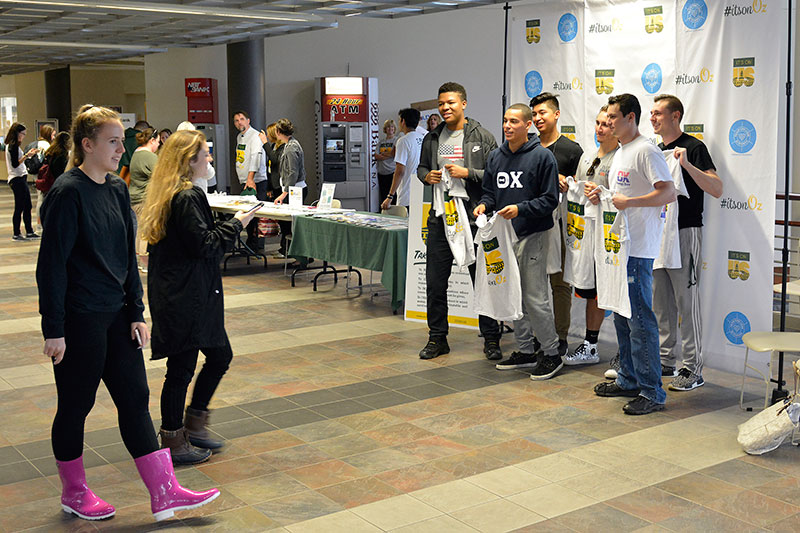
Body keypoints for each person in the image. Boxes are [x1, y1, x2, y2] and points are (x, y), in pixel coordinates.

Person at [36, 105, 219, 522]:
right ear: (88, 145)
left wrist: (136, 311)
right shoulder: (67, 192)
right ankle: (74, 492)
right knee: (76, 406)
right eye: (114, 141)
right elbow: (51, 267)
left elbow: (128, 257)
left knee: (135, 400)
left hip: (118, 317)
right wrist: (54, 328)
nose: (123, 148)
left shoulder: (116, 190)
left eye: (122, 141)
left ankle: (165, 491)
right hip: (81, 319)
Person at [140, 130, 256, 465]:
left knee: (217, 356)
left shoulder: (172, 194)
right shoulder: (187, 196)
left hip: (183, 292)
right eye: (204, 154)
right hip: (186, 295)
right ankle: (175, 439)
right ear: (188, 160)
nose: (209, 159)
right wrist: (237, 223)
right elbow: (204, 245)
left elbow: (194, 240)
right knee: (182, 368)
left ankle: (192, 425)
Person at [591, 94, 676, 415]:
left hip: (639, 250)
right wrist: (603, 195)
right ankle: (628, 378)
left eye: (613, 117)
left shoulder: (646, 150)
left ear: (630, 118)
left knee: (640, 319)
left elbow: (667, 191)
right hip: (620, 249)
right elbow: (623, 196)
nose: (608, 123)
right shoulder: (623, 151)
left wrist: (629, 202)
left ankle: (653, 392)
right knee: (624, 318)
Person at [417, 82, 502, 361]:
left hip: (474, 216)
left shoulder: (482, 136)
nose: (445, 108)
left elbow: (496, 175)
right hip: (441, 217)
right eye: (441, 104)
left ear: (464, 104)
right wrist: (426, 176)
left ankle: (491, 339)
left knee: (483, 280)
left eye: (451, 103)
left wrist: (468, 172)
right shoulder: (432, 138)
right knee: (435, 282)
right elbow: (421, 168)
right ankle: (437, 338)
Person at [475, 104, 561, 379]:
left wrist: (520, 209)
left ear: (527, 125)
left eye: (514, 121)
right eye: (505, 121)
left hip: (532, 234)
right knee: (512, 293)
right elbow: (490, 193)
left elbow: (550, 200)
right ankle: (524, 350)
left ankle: (551, 353)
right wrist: (483, 206)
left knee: (534, 297)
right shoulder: (496, 157)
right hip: (503, 236)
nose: (507, 126)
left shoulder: (542, 157)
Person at [650, 94, 722, 391]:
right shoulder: (654, 150)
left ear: (675, 116)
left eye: (658, 113)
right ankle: (666, 359)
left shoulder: (694, 147)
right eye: (651, 113)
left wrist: (687, 165)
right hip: (656, 234)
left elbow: (716, 188)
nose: (652, 118)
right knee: (661, 303)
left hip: (684, 232)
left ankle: (693, 368)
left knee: (686, 302)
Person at [562, 106, 619, 367]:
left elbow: (621, 195)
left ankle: (626, 350)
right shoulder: (587, 156)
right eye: (597, 123)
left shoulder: (622, 157)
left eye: (606, 124)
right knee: (592, 290)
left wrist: (602, 192)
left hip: (613, 238)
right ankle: (591, 344)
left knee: (617, 290)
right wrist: (569, 184)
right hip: (587, 236)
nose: (599, 128)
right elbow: (578, 186)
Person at [530, 93, 583, 355]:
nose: (538, 119)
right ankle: (538, 334)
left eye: (543, 113)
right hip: (529, 225)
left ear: (556, 114)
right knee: (532, 283)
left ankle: (560, 336)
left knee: (560, 284)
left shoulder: (571, 150)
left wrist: (566, 180)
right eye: (534, 115)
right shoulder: (528, 146)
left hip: (560, 225)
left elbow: (582, 188)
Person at [233, 111, 267, 250]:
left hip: (255, 180)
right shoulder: (240, 137)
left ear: (248, 120)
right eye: (236, 120)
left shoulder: (255, 136)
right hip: (245, 180)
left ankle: (257, 245)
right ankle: (251, 243)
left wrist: (250, 178)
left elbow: (255, 157)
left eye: (242, 119)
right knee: (248, 213)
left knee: (256, 214)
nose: (239, 122)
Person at [274, 118, 307, 261]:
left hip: (295, 191)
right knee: (289, 224)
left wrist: (284, 193)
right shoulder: (290, 144)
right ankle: (294, 254)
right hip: (293, 190)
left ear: (279, 132)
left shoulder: (292, 148)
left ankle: (301, 257)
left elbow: (293, 172)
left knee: (292, 226)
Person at [381, 108, 426, 212]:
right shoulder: (423, 139)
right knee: (418, 226)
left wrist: (390, 196)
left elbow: (400, 171)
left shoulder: (403, 141)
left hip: (407, 194)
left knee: (407, 226)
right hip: (421, 191)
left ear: (403, 121)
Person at [128, 127, 160, 272]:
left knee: (139, 230)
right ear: (152, 140)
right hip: (144, 198)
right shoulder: (149, 157)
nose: (159, 145)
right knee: (145, 231)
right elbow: (161, 176)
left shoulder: (136, 153)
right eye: (158, 142)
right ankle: (145, 262)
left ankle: (140, 261)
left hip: (134, 198)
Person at [4, 122, 39, 241]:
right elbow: (15, 164)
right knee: (21, 206)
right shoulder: (13, 146)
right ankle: (18, 233)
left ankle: (28, 231)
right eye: (23, 134)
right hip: (17, 178)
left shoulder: (12, 145)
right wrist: (26, 156)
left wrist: (27, 156)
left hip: (19, 177)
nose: (23, 136)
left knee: (26, 205)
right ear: (17, 133)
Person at [37, 131, 71, 196]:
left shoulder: (50, 152)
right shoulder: (62, 155)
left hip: (49, 182)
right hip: (58, 184)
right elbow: (61, 171)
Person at [376, 119, 398, 202]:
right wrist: (388, 154)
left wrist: (384, 154)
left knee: (393, 196)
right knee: (383, 195)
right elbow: (376, 156)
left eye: (392, 127)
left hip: (392, 172)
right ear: (385, 129)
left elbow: (394, 154)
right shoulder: (381, 142)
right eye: (388, 127)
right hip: (381, 173)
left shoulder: (396, 140)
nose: (390, 128)